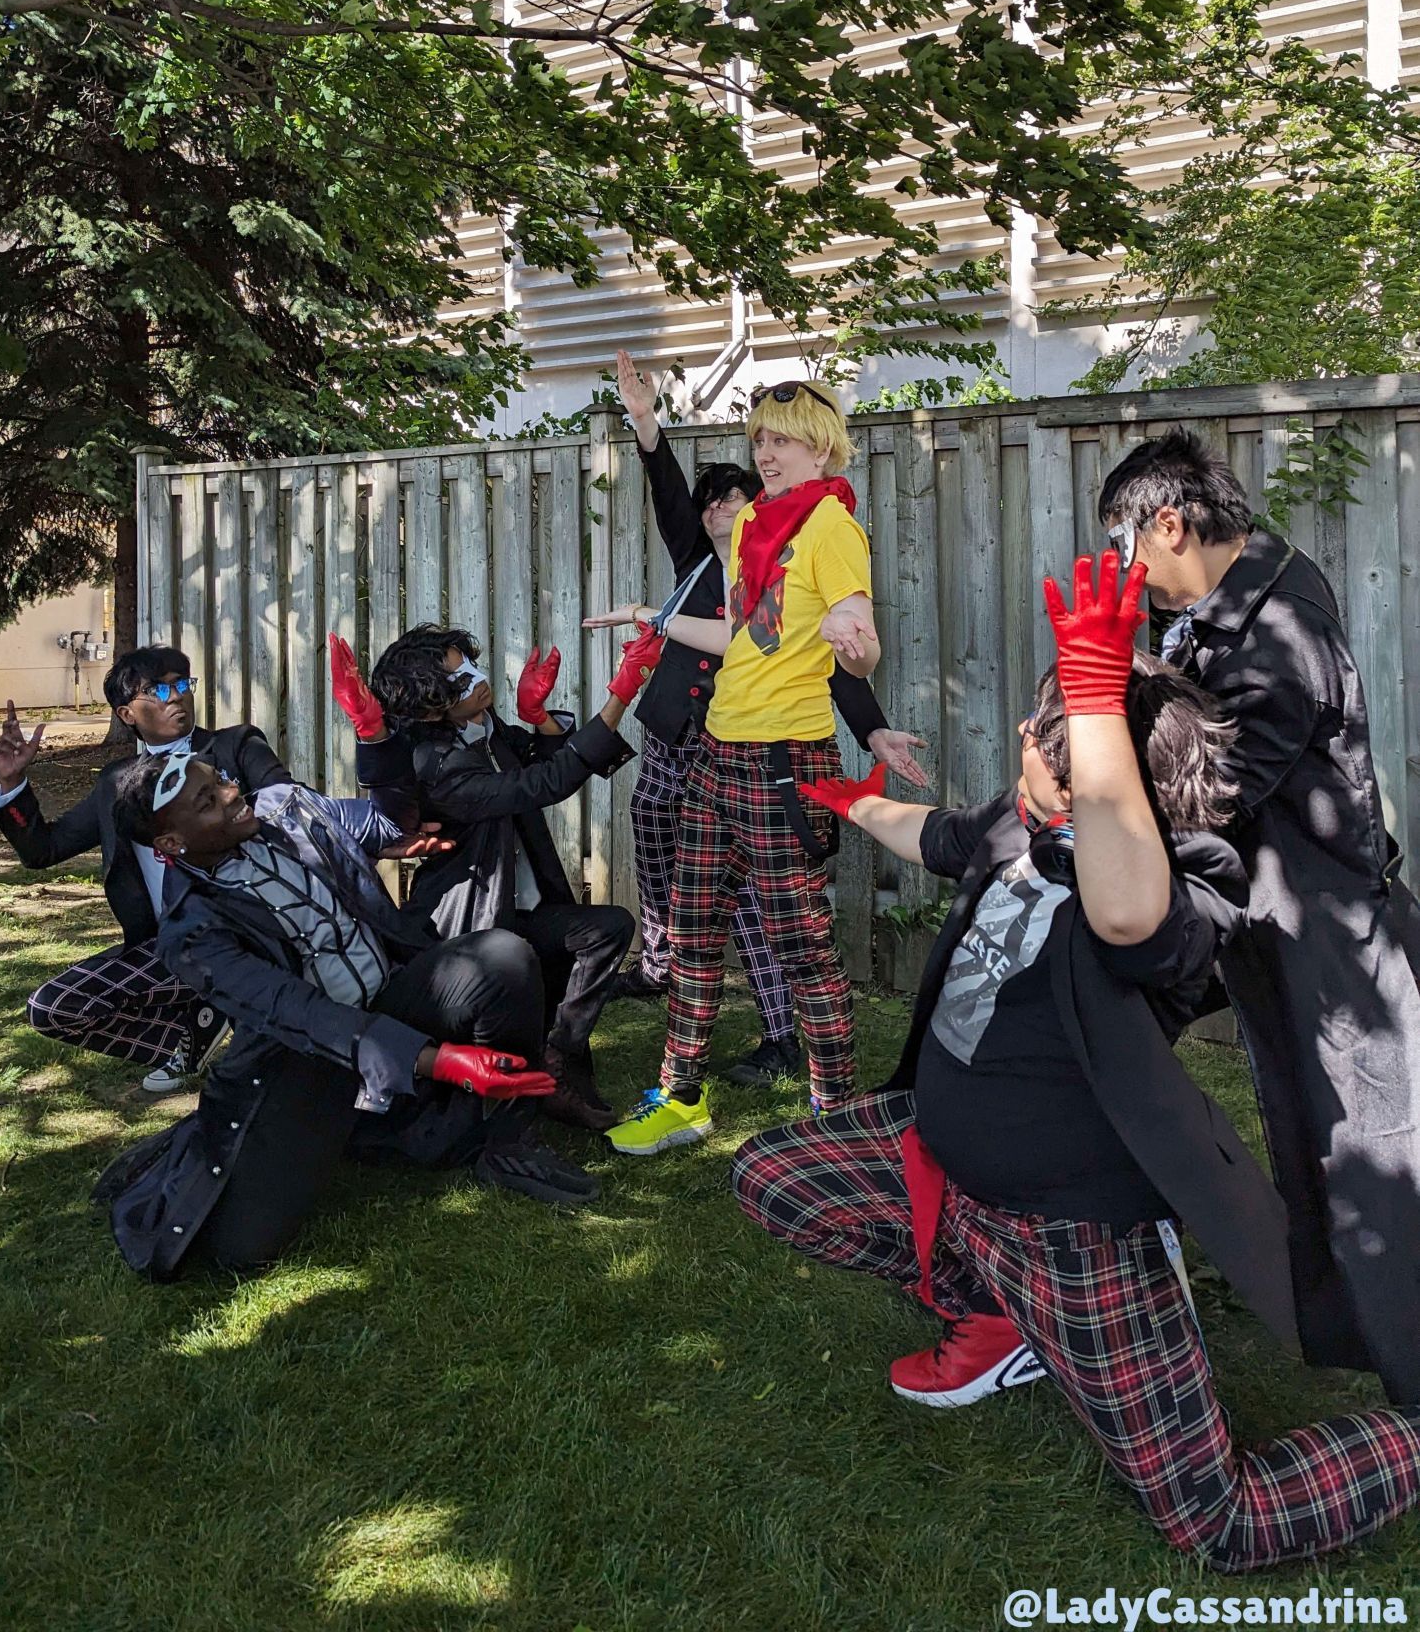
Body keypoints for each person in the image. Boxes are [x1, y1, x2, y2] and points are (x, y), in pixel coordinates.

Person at [733, 554, 1420, 1573]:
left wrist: (1097, 698)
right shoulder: (1025, 822)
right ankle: (994, 1311)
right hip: (946, 1164)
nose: (1021, 738)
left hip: (1073, 1231)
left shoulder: (1194, 881)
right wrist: (851, 801)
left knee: (1218, 1520)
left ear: (1095, 770)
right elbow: (932, 834)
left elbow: (1127, 911)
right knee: (769, 1175)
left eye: (1046, 736)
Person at [1099, 427, 1420, 1406]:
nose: (1129, 575)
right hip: (1274, 920)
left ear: (1169, 521)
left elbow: (1208, 790)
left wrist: (1110, 684)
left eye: (1128, 551)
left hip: (1337, 940)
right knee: (1303, 1130)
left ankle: (1413, 1383)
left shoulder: (1281, 633)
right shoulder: (1226, 597)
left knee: (1377, 1158)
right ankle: (1346, 1326)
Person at [95, 750, 594, 1280]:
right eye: (207, 800)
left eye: (219, 779)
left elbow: (390, 815)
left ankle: (504, 1141)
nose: (230, 791)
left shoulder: (288, 811)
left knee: (502, 958)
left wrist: (376, 738)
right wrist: (439, 1060)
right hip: (309, 1056)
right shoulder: (191, 933)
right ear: (173, 844)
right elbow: (298, 1013)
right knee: (238, 1250)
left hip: (393, 993)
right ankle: (217, 1142)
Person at [597, 349, 928, 1093]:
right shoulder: (751, 522)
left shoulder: (833, 527)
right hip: (717, 754)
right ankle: (680, 1095)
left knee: (802, 946)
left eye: (782, 439)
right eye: (760, 440)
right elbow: (742, 634)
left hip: (784, 759)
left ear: (821, 445)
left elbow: (857, 632)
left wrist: (858, 644)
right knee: (692, 932)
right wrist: (655, 617)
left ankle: (832, 1107)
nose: (767, 453)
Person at [329, 622, 663, 1132]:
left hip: (519, 905)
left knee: (610, 927)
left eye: (465, 662)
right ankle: (520, 1096)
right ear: (428, 704)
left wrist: (539, 720)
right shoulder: (436, 762)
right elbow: (545, 783)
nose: (473, 677)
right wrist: (621, 692)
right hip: (471, 919)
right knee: (523, 968)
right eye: (454, 677)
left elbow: (540, 761)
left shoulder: (478, 729)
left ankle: (560, 1054)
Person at [0, 645, 291, 1094]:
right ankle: (196, 1030)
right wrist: (12, 783)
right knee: (53, 1007)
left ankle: (242, 1024)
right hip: (170, 946)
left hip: (252, 932)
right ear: (127, 713)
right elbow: (43, 850)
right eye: (160, 689)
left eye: (183, 683)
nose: (177, 696)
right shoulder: (118, 783)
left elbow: (287, 800)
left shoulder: (233, 747)